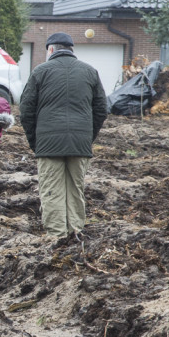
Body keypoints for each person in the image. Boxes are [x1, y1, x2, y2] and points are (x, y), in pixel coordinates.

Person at [19, 32, 107, 240]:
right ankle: (76, 232)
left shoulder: (40, 72)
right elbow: (101, 110)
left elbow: (26, 111)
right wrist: (87, 137)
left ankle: (57, 237)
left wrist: (36, 142)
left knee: (52, 191)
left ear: (50, 50)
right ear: (71, 50)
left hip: (49, 143)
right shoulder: (90, 72)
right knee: (76, 189)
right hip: (80, 143)